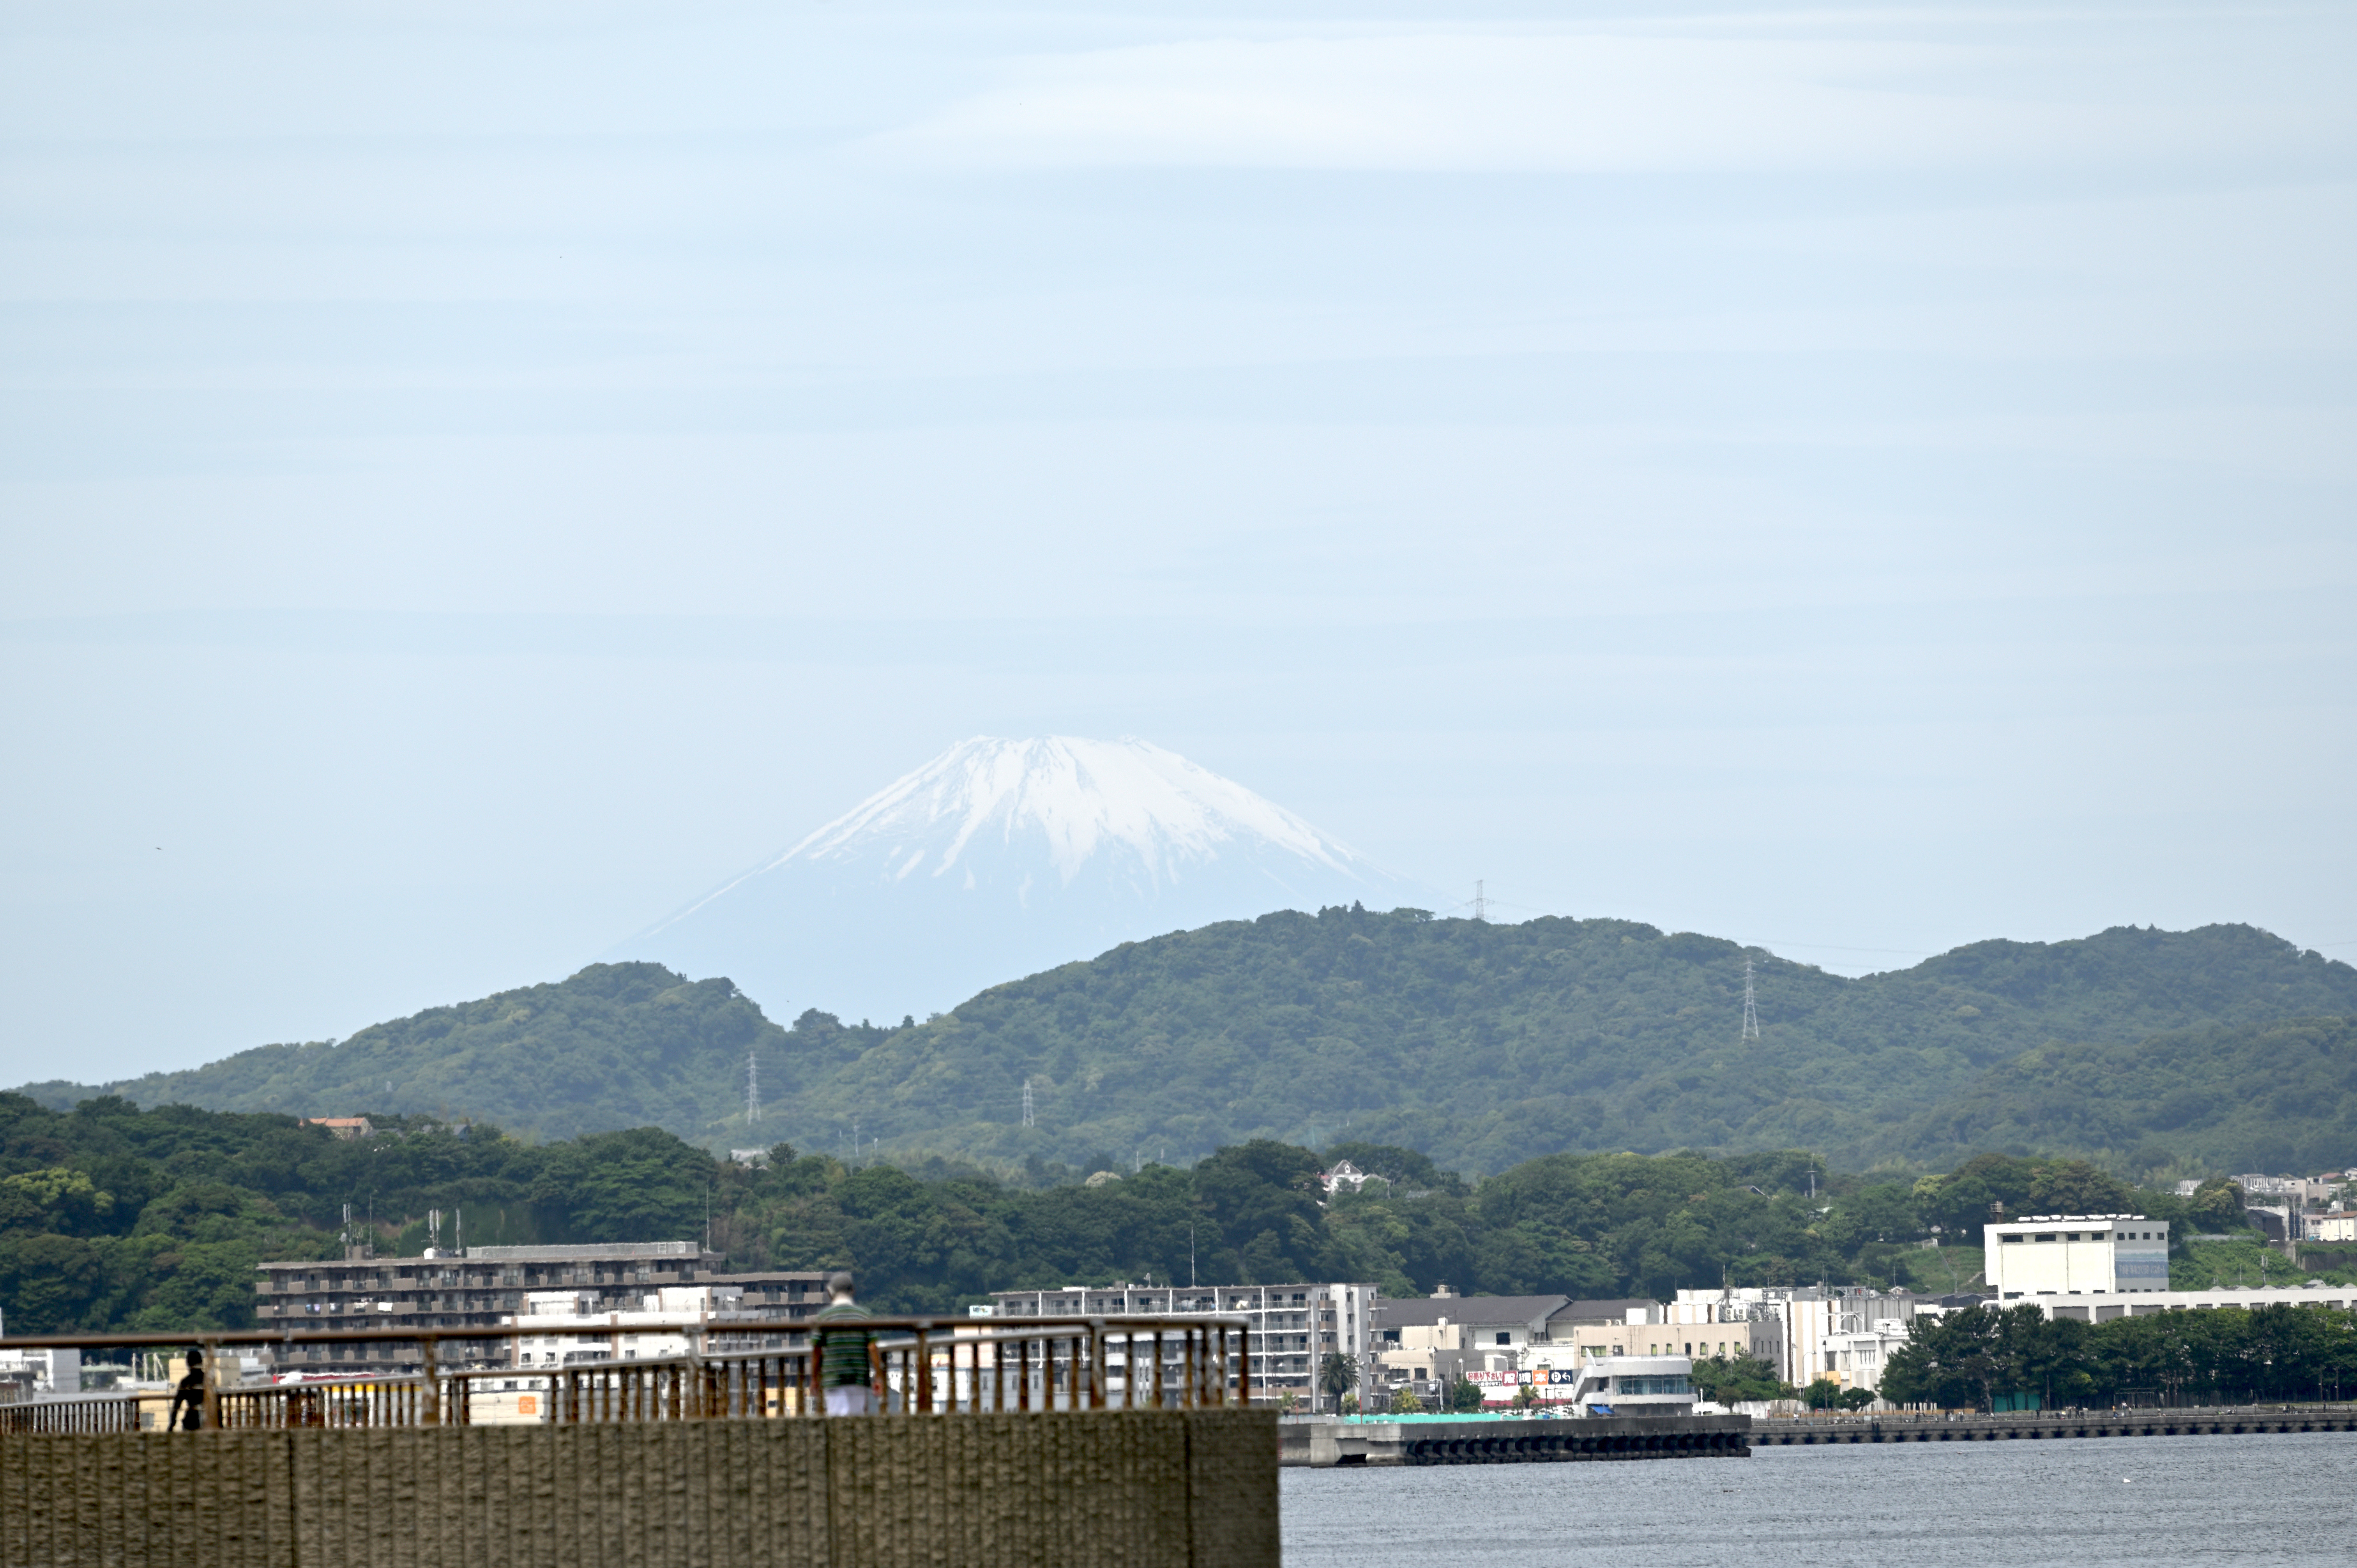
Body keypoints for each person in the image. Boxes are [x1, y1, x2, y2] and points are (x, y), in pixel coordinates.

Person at [812, 1270, 878, 1416]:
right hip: (858, 1377)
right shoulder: (864, 1315)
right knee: (857, 1420)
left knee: (837, 1422)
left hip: (833, 1377)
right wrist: (878, 1376)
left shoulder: (824, 1316)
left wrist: (814, 1378)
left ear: (831, 1293)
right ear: (852, 1292)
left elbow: (817, 1350)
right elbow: (873, 1348)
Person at [167, 1348, 207, 1432]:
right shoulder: (208, 1381)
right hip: (208, 1418)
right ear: (201, 1363)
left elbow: (177, 1405)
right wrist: (221, 1424)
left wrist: (172, 1424)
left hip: (191, 1419)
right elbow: (218, 1402)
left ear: (188, 1363)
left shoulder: (186, 1382)